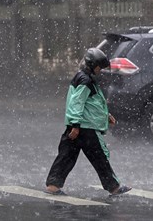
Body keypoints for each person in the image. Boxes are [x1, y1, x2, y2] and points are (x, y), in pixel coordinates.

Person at [45, 48, 131, 196]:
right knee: (99, 158)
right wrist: (76, 125)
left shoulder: (84, 78)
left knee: (66, 156)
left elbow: (92, 103)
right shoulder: (85, 81)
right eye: (99, 67)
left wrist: (106, 115)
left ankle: (53, 185)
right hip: (85, 128)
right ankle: (114, 187)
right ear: (92, 65)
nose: (101, 71)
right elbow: (76, 103)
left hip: (79, 126)